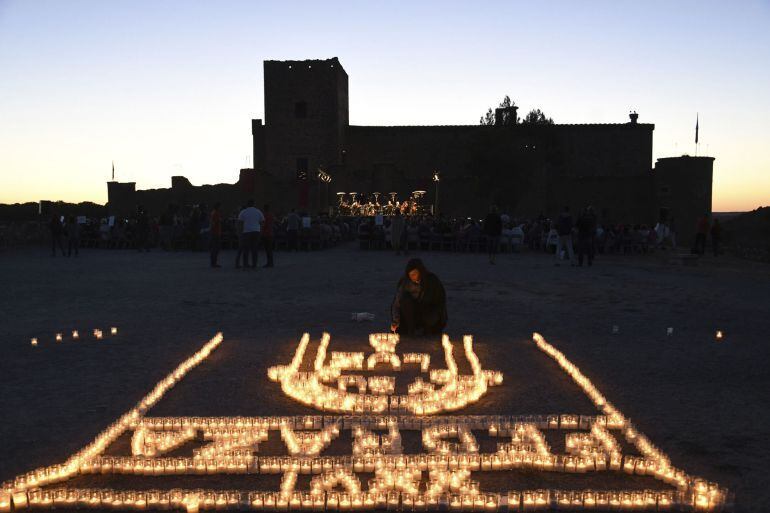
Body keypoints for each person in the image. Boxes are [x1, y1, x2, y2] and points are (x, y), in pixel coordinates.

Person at [390, 259, 447, 336]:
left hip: (429, 312)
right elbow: (396, 304)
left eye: (414, 274)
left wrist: (436, 316)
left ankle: (427, 329)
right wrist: (395, 321)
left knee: (429, 321)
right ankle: (411, 329)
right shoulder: (405, 283)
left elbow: (440, 301)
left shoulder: (432, 281)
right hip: (412, 314)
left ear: (421, 271)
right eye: (410, 275)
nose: (412, 277)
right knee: (405, 301)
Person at [236, 200, 264, 268]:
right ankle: (254, 264)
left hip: (246, 232)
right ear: (254, 204)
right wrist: (260, 230)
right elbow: (262, 221)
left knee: (246, 249)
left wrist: (240, 233)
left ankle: (245, 264)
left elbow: (240, 223)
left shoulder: (243, 212)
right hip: (256, 231)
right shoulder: (258, 211)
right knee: (254, 249)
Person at [209, 202, 222, 268]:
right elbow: (214, 223)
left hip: (214, 232)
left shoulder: (213, 212)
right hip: (216, 233)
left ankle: (213, 262)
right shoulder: (216, 213)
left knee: (214, 248)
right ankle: (214, 263)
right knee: (215, 248)